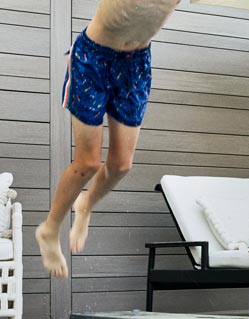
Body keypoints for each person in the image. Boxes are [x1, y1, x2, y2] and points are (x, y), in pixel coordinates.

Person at [36, 0, 181, 278]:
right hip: (94, 58)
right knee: (88, 162)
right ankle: (49, 230)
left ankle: (85, 204)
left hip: (136, 64)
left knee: (121, 165)